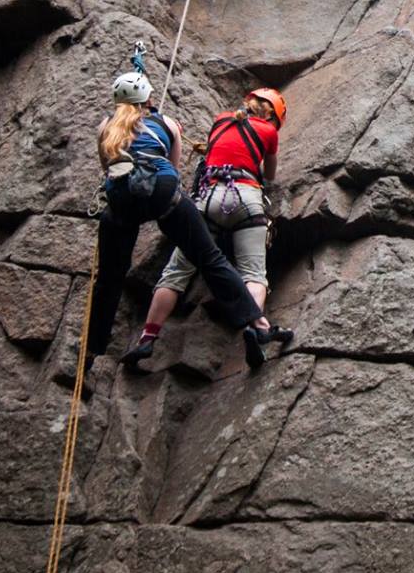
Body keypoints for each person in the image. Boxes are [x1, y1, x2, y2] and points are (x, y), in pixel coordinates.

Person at [91, 69, 272, 373]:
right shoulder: (168, 124)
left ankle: (97, 348)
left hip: (122, 200)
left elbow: (107, 167)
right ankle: (258, 322)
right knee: (210, 258)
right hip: (166, 193)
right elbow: (173, 170)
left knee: (111, 276)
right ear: (150, 97)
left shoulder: (105, 127)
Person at [123, 87, 292, 366]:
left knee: (176, 272)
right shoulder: (269, 133)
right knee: (254, 274)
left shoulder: (222, 120)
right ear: (274, 117)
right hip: (246, 197)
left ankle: (147, 339)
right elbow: (269, 175)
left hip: (207, 200)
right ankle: (254, 328)